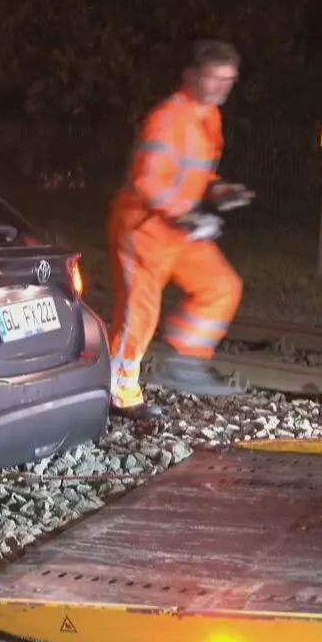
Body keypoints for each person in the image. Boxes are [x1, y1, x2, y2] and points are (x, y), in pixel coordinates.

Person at [106, 40, 256, 417]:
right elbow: (149, 182)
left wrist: (218, 190)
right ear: (191, 76)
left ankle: (183, 360)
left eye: (229, 79)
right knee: (138, 315)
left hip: (178, 228)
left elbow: (194, 174)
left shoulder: (208, 117)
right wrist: (189, 215)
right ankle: (119, 394)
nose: (222, 86)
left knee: (221, 286)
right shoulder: (169, 117)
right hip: (143, 229)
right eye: (214, 77)